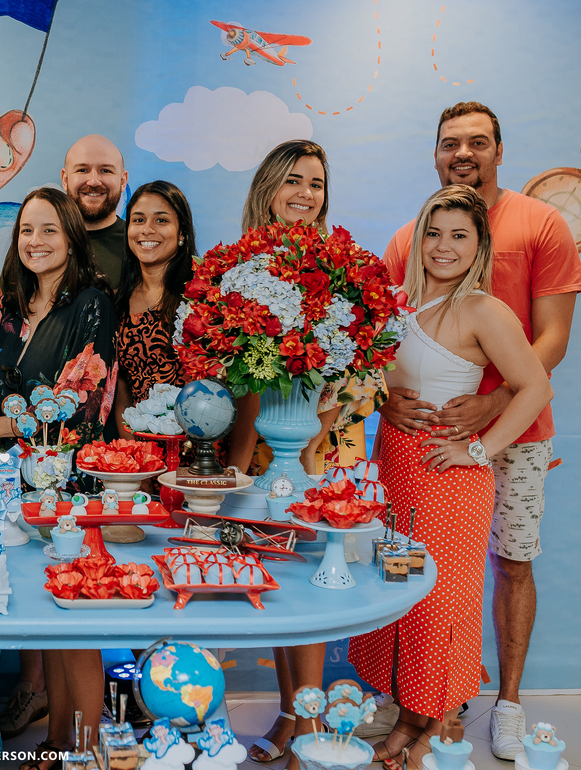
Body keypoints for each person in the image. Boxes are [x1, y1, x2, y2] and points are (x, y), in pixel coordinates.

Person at [378, 102, 581, 759]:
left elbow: (548, 346)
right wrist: (384, 401)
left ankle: (505, 702)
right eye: (450, 143)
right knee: (410, 576)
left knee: (504, 564)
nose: (462, 153)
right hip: (414, 455)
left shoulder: (540, 224)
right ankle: (424, 705)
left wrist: (488, 417)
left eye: (477, 142)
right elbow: (380, 346)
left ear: (498, 149)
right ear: (436, 153)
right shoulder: (408, 242)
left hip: (503, 432)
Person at [350, 185, 552, 767]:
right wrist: (382, 399)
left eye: (459, 235)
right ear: (418, 239)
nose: (444, 246)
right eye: (433, 233)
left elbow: (535, 387)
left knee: (440, 605)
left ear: (479, 245)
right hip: (395, 472)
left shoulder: (483, 310)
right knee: (402, 597)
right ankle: (407, 720)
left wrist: (480, 450)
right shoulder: (397, 303)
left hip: (447, 481)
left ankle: (436, 732)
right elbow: (375, 377)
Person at [237, 140, 385, 767]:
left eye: (316, 183)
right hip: (262, 456)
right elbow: (241, 379)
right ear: (268, 188)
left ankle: (309, 724)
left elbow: (366, 372)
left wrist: (311, 438)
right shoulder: (240, 269)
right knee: (278, 588)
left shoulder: (344, 268)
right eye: (293, 180)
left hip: (318, 455)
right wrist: (246, 460)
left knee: (310, 590)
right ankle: (291, 712)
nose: (305, 193)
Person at [0, 188, 117, 770]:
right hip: (12, 484)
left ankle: (83, 748)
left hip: (67, 487)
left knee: (76, 620)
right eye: (26, 230)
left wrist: (3, 425)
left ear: (71, 238)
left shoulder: (91, 303)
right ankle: (59, 737)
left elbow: (85, 407)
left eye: (49, 230)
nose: (35, 241)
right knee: (49, 616)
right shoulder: (9, 307)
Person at [112, 180, 197, 438]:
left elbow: (239, 394)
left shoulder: (204, 297)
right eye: (138, 220)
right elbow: (122, 397)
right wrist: (134, 457)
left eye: (161, 220)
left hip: (203, 451)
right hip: (142, 450)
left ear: (182, 233)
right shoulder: (116, 302)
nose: (147, 229)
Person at [62, 134, 128, 287]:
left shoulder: (140, 244)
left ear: (122, 181)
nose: (93, 181)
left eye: (105, 170)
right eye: (82, 170)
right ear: (65, 180)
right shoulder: (39, 242)